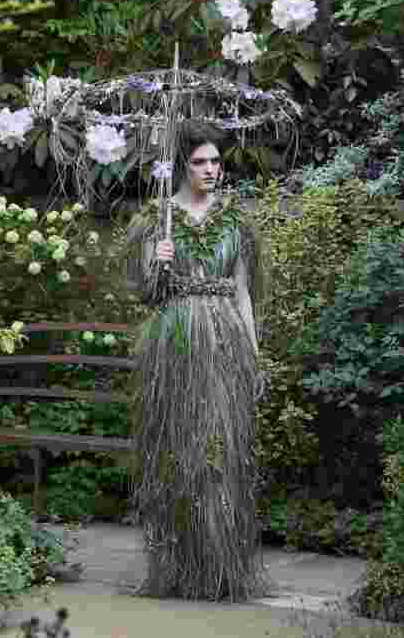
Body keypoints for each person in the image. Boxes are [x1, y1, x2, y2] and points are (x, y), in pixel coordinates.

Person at [123, 122, 270, 601]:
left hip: (225, 342)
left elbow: (244, 292)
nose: (212, 170)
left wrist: (254, 354)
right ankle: (178, 567)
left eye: (216, 161)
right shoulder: (156, 220)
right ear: (181, 168)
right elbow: (147, 296)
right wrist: (157, 261)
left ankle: (221, 568)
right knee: (176, 448)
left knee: (221, 450)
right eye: (200, 162)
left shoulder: (236, 222)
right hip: (176, 343)